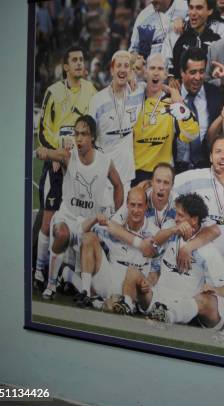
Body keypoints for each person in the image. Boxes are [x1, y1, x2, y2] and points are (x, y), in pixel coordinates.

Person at [35, 115, 124, 300]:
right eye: (76, 134)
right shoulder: (68, 155)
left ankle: (68, 279)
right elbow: (51, 153)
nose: (79, 139)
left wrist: (117, 216)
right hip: (68, 217)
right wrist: (42, 152)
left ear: (93, 137)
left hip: (89, 223)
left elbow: (118, 185)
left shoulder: (105, 162)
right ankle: (51, 284)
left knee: (96, 289)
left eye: (84, 134)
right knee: (60, 233)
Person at [34, 45, 97, 291]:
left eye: (82, 59)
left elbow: (95, 125)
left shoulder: (91, 91)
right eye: (75, 60)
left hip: (80, 168)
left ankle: (62, 274)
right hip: (57, 165)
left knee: (74, 222)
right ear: (66, 67)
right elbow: (43, 131)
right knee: (48, 222)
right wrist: (57, 155)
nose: (80, 63)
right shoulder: (53, 91)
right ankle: (39, 271)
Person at [124, 192, 224, 328]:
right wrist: (174, 230)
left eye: (181, 215)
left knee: (206, 300)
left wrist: (213, 289)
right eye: (176, 214)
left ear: (194, 220)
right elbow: (155, 241)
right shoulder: (170, 231)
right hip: (156, 300)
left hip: (183, 309)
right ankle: (124, 307)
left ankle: (168, 317)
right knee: (132, 272)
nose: (176, 218)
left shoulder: (208, 251)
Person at [132, 53, 200, 185]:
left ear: (166, 74)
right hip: (134, 173)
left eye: (160, 69)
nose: (156, 73)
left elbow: (191, 135)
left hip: (162, 173)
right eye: (152, 68)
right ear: (145, 72)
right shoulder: (134, 99)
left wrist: (181, 107)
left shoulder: (172, 103)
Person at [88, 50, 144, 203]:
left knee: (120, 222)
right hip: (103, 177)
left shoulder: (138, 93)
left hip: (126, 176)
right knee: (103, 223)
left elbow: (157, 85)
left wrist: (171, 91)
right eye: (118, 66)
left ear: (130, 71)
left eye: (126, 66)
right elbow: (88, 137)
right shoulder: (97, 101)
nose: (122, 70)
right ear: (112, 70)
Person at [173, 135, 224, 257]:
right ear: (210, 157)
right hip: (191, 254)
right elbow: (164, 189)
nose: (222, 156)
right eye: (218, 152)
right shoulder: (193, 177)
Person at [176, 47, 224, 172]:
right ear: (182, 72)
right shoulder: (172, 96)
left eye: (201, 72)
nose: (198, 77)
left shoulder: (214, 94)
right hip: (177, 170)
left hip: (206, 168)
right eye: (193, 72)